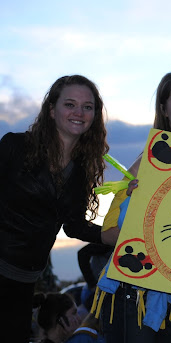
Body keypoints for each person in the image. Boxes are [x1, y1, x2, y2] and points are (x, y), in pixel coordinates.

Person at [95, 70, 171, 343]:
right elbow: (108, 233)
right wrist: (135, 211)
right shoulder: (145, 163)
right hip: (137, 296)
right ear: (164, 110)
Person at [0, 75, 108, 342]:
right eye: (70, 104)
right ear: (52, 110)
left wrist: (115, 233)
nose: (79, 112)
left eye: (87, 106)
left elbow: (74, 226)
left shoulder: (81, 172)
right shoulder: (14, 146)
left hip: (26, 279)